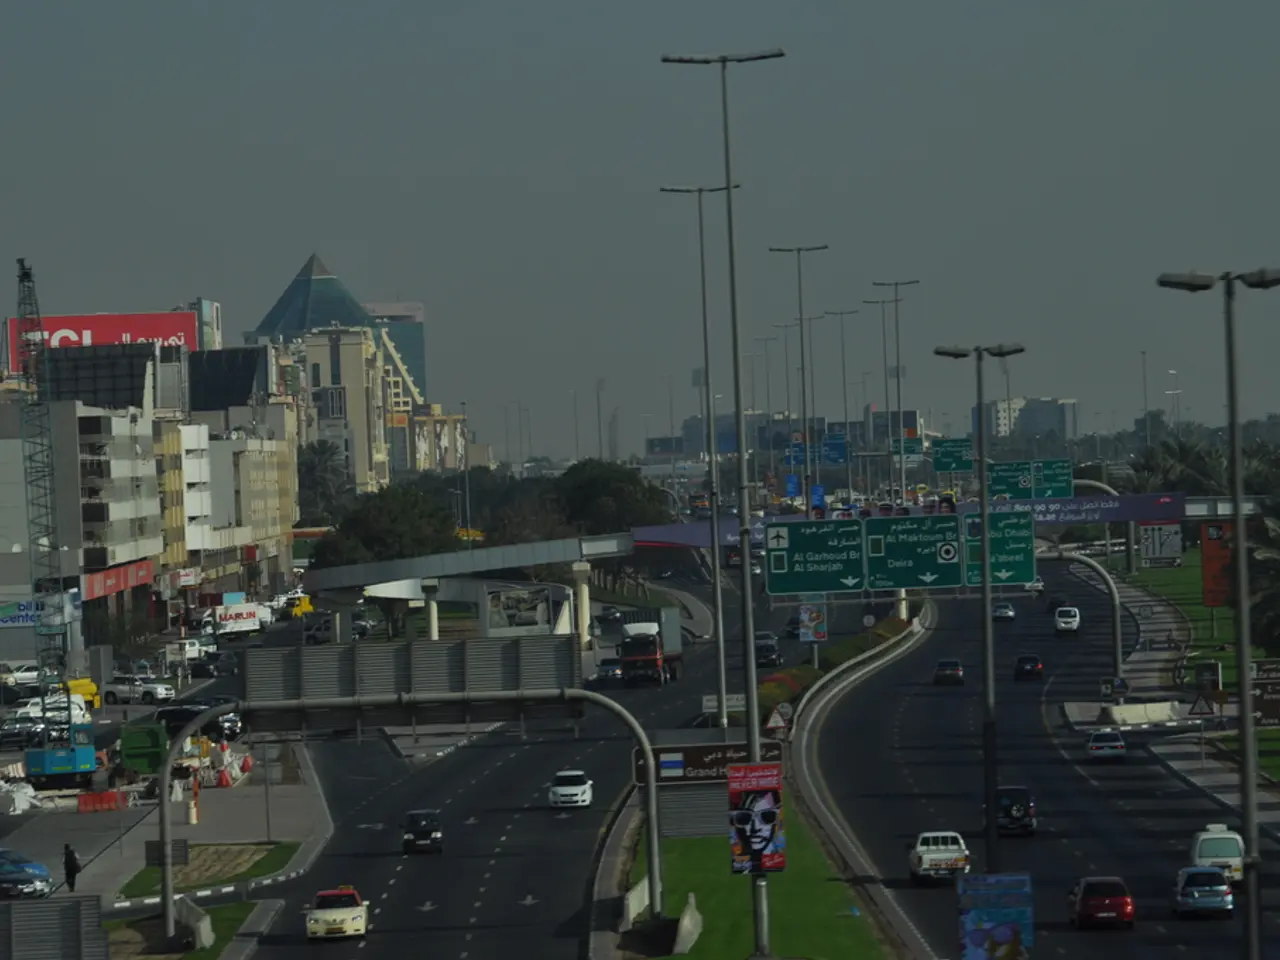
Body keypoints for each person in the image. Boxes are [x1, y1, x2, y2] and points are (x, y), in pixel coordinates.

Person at [730, 788, 783, 875]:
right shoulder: (738, 863)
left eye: (767, 816)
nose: (755, 828)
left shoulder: (778, 861)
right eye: (745, 818)